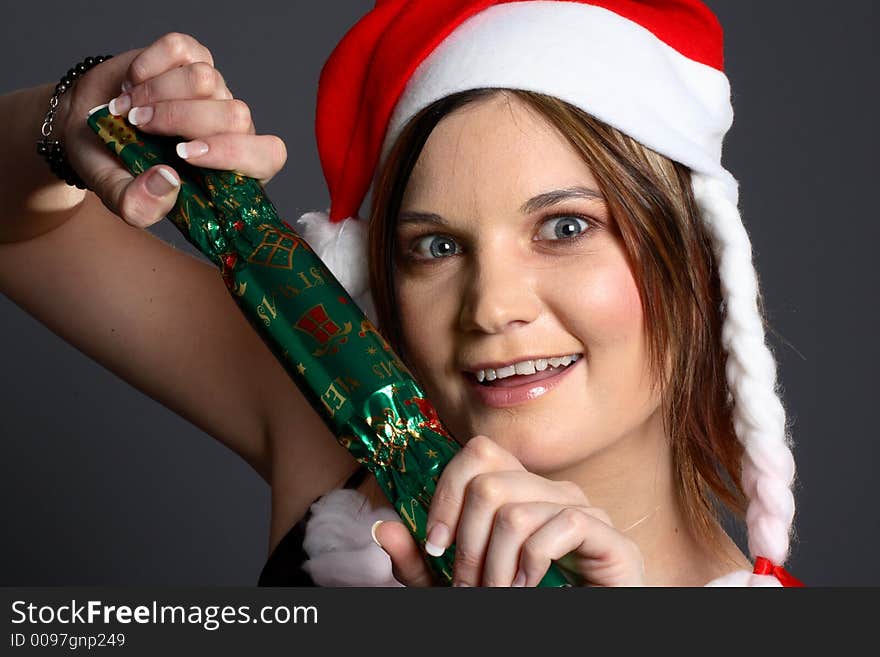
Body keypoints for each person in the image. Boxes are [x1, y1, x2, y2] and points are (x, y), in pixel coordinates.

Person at [0, 0, 802, 587]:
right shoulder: (341, 424)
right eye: (438, 246)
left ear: (694, 258)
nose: (491, 306)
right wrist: (71, 119)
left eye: (564, 228)